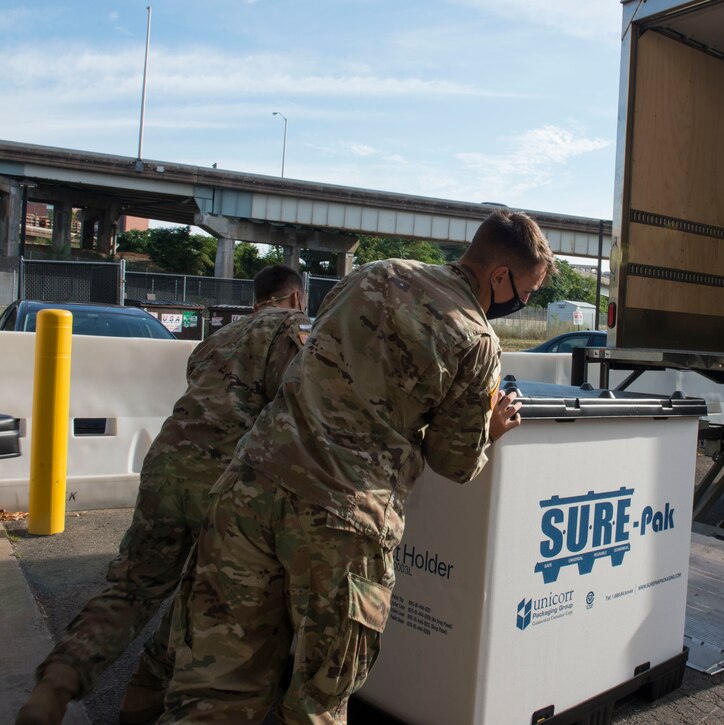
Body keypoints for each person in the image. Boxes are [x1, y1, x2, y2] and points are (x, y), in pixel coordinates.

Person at [158, 209, 555, 723]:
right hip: (343, 522)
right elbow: (454, 463)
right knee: (317, 701)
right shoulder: (477, 341)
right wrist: (491, 431)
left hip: (252, 485)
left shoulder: (376, 273)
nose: (520, 302)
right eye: (524, 292)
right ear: (500, 276)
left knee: (214, 682)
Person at [16, 265, 311, 725]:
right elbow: (298, 409)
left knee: (133, 589)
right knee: (215, 603)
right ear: (296, 298)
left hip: (165, 465)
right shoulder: (294, 330)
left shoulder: (216, 339)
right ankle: (160, 702)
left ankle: (56, 685)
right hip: (227, 480)